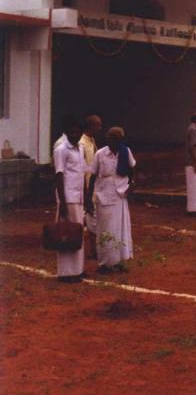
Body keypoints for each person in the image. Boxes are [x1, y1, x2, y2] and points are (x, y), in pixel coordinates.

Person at [87, 126, 135, 274]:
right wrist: (88, 198)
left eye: (116, 139)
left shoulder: (125, 152)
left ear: (121, 140)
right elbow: (92, 176)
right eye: (111, 138)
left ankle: (119, 261)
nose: (113, 141)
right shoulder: (100, 154)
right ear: (107, 138)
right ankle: (105, 263)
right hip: (104, 194)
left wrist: (131, 186)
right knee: (105, 229)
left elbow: (132, 169)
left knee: (121, 228)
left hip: (120, 194)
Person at [53, 116, 86, 283]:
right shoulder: (61, 149)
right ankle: (66, 272)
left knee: (77, 233)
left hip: (78, 197)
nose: (75, 135)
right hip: (68, 198)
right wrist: (63, 202)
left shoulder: (80, 148)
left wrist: (85, 197)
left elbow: (81, 174)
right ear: (66, 131)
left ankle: (78, 270)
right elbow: (59, 176)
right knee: (66, 233)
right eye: (72, 132)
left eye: (78, 132)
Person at [80, 114, 103, 259]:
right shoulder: (82, 143)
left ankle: (95, 249)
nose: (100, 128)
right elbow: (82, 170)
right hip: (86, 186)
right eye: (98, 125)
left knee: (94, 217)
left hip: (94, 186)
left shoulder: (92, 141)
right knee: (91, 217)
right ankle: (93, 250)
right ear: (91, 126)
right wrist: (85, 191)